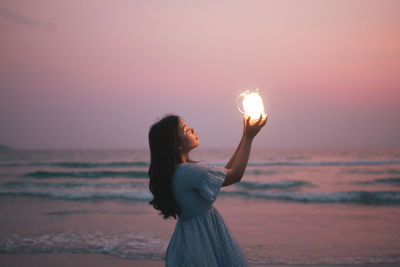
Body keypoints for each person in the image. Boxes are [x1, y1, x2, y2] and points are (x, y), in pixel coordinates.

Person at [148, 114, 267, 267]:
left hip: (193, 234)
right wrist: (249, 138)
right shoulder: (187, 172)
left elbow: (227, 171)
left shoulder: (179, 172)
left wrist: (245, 136)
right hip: (202, 236)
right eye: (185, 130)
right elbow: (236, 175)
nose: (192, 129)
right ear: (176, 144)